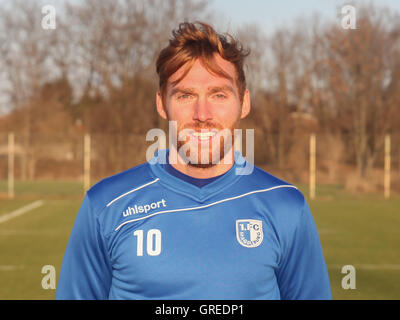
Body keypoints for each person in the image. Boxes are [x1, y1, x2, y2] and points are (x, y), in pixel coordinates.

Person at [56, 21, 331, 300]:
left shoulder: (285, 208)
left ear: (244, 103)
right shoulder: (106, 206)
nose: (202, 114)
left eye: (219, 94)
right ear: (162, 104)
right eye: (186, 95)